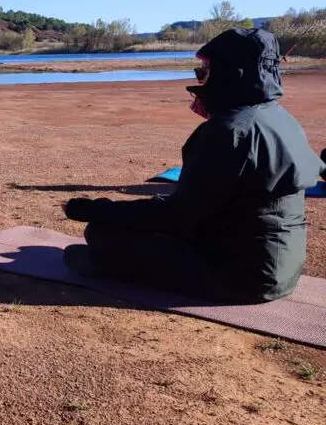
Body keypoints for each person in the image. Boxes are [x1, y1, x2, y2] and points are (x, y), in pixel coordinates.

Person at [62, 28, 324, 304]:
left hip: (241, 274)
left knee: (100, 233)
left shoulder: (228, 131)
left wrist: (95, 209)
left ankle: (106, 266)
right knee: (112, 230)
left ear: (231, 73)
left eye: (204, 72)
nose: (200, 80)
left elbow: (177, 216)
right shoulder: (280, 118)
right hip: (279, 265)